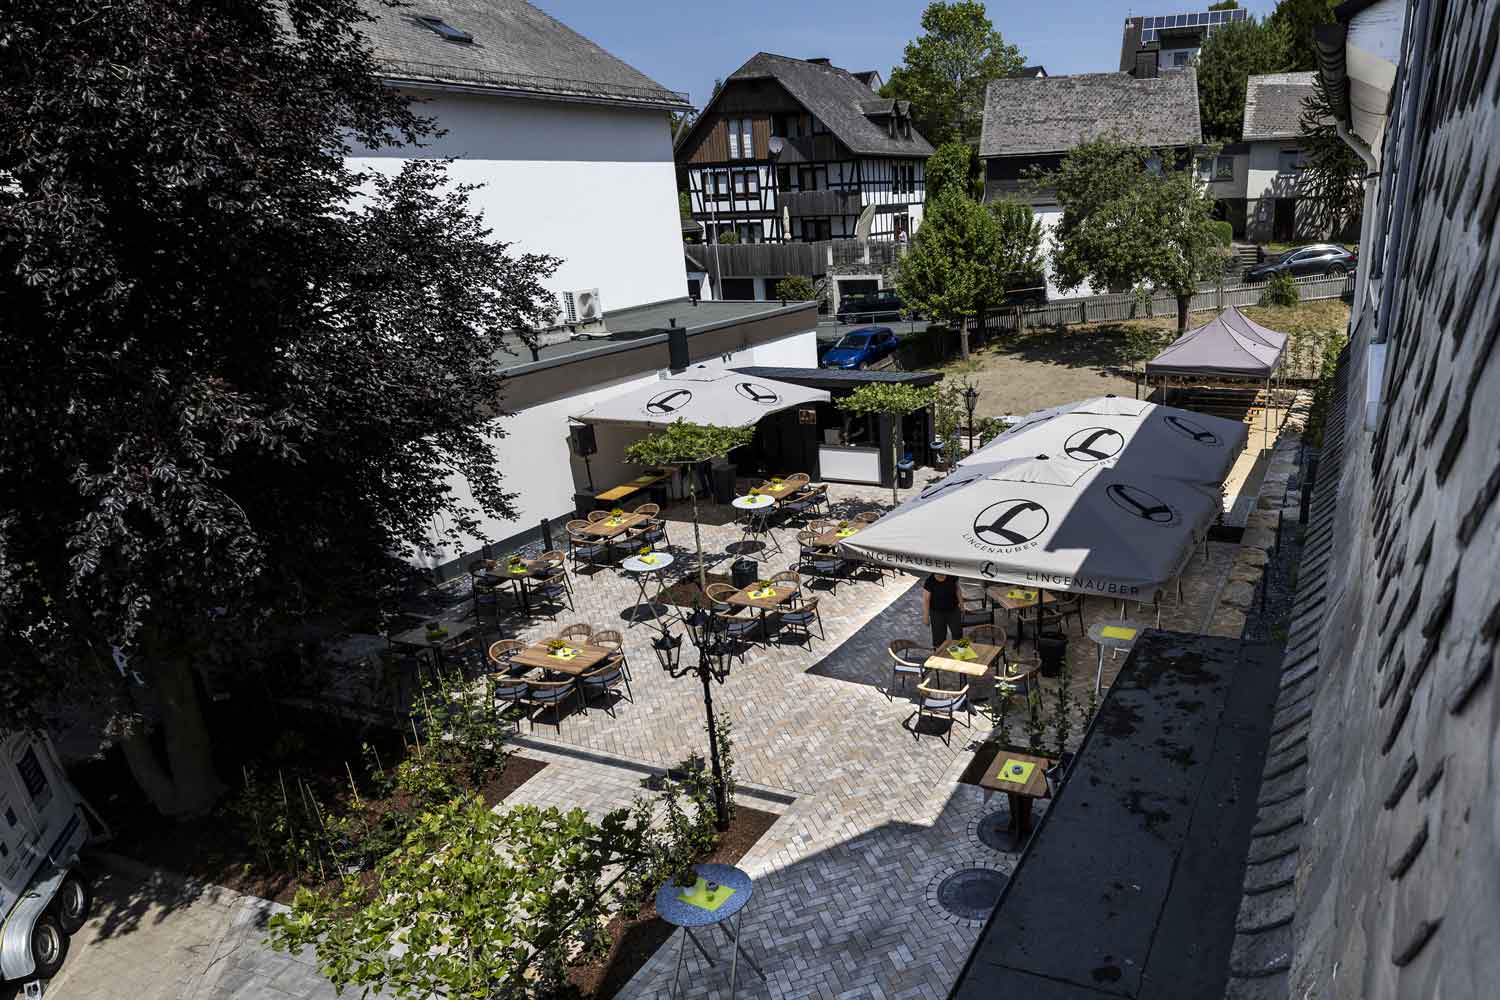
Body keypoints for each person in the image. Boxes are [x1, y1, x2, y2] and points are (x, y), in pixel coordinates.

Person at [922, 573, 962, 648]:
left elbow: (958, 590)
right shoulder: (929, 581)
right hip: (937, 613)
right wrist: (926, 616)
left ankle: (959, 652)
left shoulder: (952, 575)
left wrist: (962, 605)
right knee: (939, 638)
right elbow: (926, 600)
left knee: (958, 634)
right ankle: (939, 653)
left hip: (953, 610)